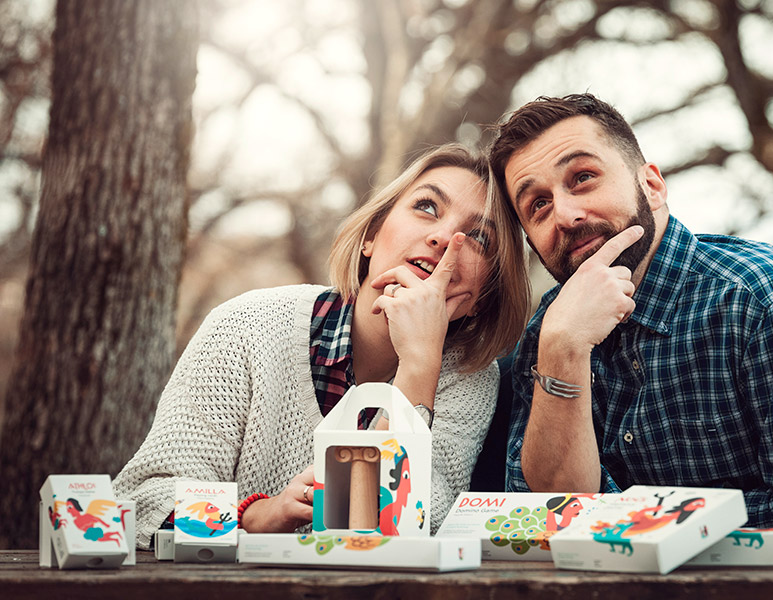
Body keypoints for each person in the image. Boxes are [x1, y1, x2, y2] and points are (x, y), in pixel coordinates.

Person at [488, 93, 773, 550]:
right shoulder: (552, 329)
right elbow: (537, 519)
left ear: (652, 186)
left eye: (584, 178)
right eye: (538, 204)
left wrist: (608, 520)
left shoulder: (769, 300)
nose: (567, 215)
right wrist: (562, 349)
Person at [113, 144, 530, 548]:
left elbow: (411, 524)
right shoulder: (246, 327)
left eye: (479, 237)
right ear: (370, 236)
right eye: (427, 207)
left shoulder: (471, 380)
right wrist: (252, 516)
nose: (443, 237)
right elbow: (144, 499)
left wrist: (419, 365)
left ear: (483, 296)